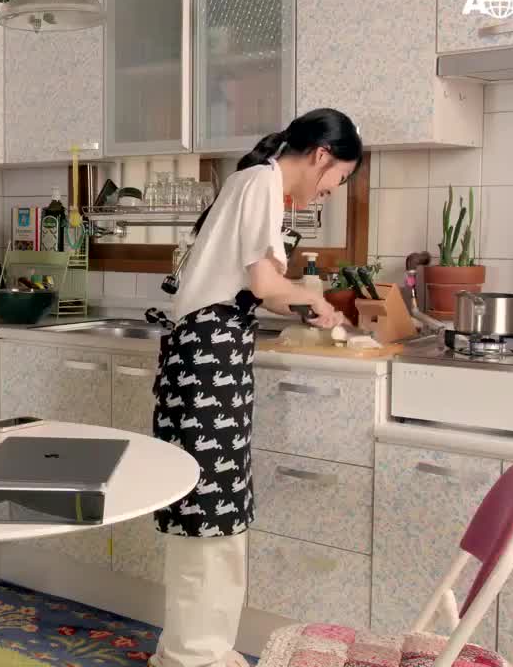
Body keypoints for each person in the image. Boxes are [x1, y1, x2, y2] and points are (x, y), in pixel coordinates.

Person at [149, 108, 361, 667]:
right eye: (338, 178)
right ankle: (194, 656)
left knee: (209, 509)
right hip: (207, 360)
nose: (330, 190)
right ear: (321, 156)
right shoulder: (262, 183)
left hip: (204, 356)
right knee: (210, 513)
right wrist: (313, 299)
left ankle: (191, 648)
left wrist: (303, 302)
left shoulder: (253, 182)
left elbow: (256, 290)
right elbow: (266, 284)